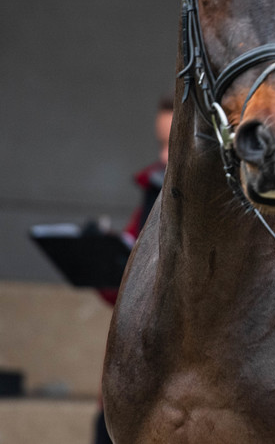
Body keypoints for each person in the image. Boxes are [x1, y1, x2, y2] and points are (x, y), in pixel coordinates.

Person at [93, 95, 173, 444]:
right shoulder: (152, 188)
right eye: (161, 144)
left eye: (175, 144)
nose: (164, 157)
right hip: (138, 369)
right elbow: (121, 294)